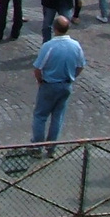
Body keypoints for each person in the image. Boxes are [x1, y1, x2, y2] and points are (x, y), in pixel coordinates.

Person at [31, 14, 87, 155]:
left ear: (54, 28)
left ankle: (37, 147)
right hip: (66, 85)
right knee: (58, 117)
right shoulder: (76, 45)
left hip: (49, 84)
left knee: (40, 116)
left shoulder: (49, 46)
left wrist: (40, 81)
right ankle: (51, 148)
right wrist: (72, 77)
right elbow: (80, 65)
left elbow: (38, 68)